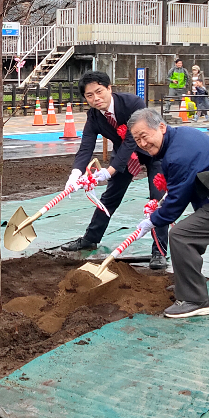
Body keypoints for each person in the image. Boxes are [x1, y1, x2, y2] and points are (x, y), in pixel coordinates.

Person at [128, 108, 209, 319]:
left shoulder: (177, 154)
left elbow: (176, 202)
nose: (143, 144)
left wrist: (153, 220)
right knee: (204, 220)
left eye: (144, 136)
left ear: (161, 127)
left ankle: (194, 299)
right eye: (137, 140)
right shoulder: (180, 137)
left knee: (182, 236)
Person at [61, 71, 169, 270]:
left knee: (157, 200)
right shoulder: (94, 116)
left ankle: (159, 251)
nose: (96, 99)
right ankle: (90, 239)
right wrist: (76, 173)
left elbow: (130, 140)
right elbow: (86, 146)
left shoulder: (133, 103)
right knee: (110, 197)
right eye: (89, 96)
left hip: (154, 152)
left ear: (109, 88)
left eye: (99, 92)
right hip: (125, 157)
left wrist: (109, 171)